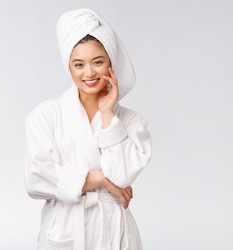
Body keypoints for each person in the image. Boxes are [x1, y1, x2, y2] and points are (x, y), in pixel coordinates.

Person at [24, 8, 152, 249]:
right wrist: (103, 180)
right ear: (69, 67)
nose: (89, 72)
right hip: (66, 230)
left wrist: (107, 116)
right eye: (79, 64)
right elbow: (36, 179)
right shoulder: (45, 116)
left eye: (98, 62)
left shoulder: (132, 122)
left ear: (110, 64)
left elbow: (123, 176)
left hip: (116, 232)